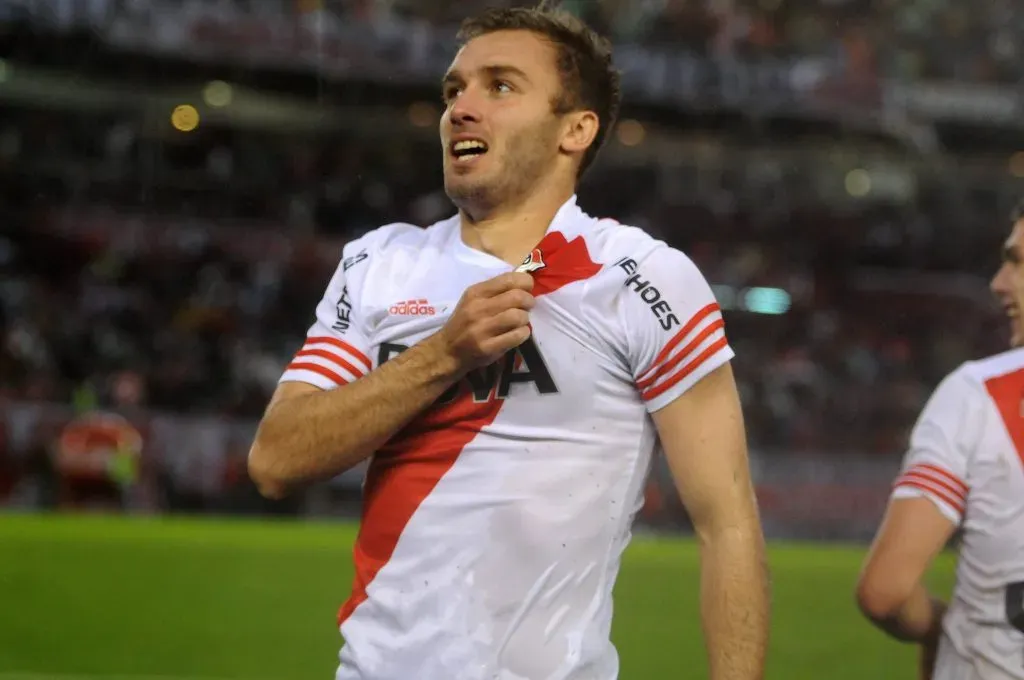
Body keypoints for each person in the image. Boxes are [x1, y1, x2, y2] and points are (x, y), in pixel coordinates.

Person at [249, 5, 769, 679]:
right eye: (454, 89)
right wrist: (442, 355)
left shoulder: (639, 278)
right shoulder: (379, 263)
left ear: (575, 129)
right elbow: (275, 459)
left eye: (499, 86)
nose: (462, 108)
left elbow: (727, 526)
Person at [856, 203, 1024, 680]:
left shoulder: (978, 395)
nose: (998, 283)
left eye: (1016, 262)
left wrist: (935, 629)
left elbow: (885, 590)